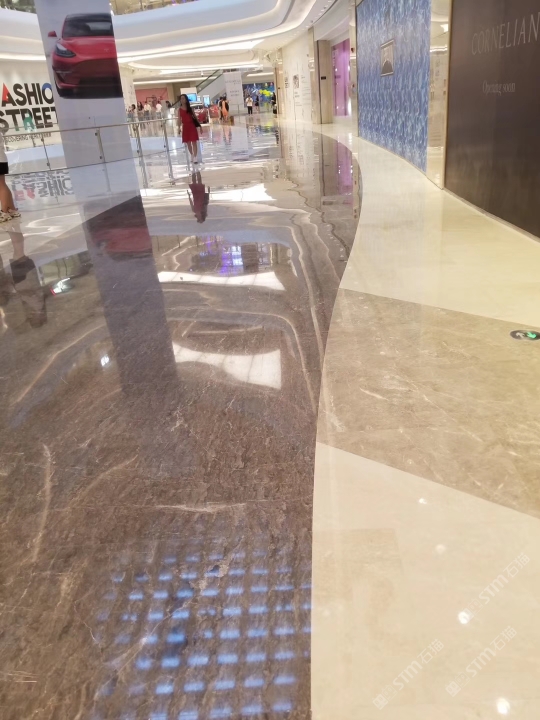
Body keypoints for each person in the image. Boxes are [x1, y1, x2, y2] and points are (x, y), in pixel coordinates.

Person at [0, 131, 21, 223]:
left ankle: (4, 212)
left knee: (1, 186)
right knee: (2, 185)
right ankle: (12, 209)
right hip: (2, 159)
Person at [177, 93, 202, 165]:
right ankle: (192, 154)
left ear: (186, 100)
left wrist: (200, 126)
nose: (182, 100)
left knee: (194, 142)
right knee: (188, 143)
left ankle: (195, 157)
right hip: (185, 127)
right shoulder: (179, 110)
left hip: (192, 126)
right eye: (181, 99)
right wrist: (179, 128)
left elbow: (195, 118)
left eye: (183, 98)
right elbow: (179, 119)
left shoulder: (190, 109)